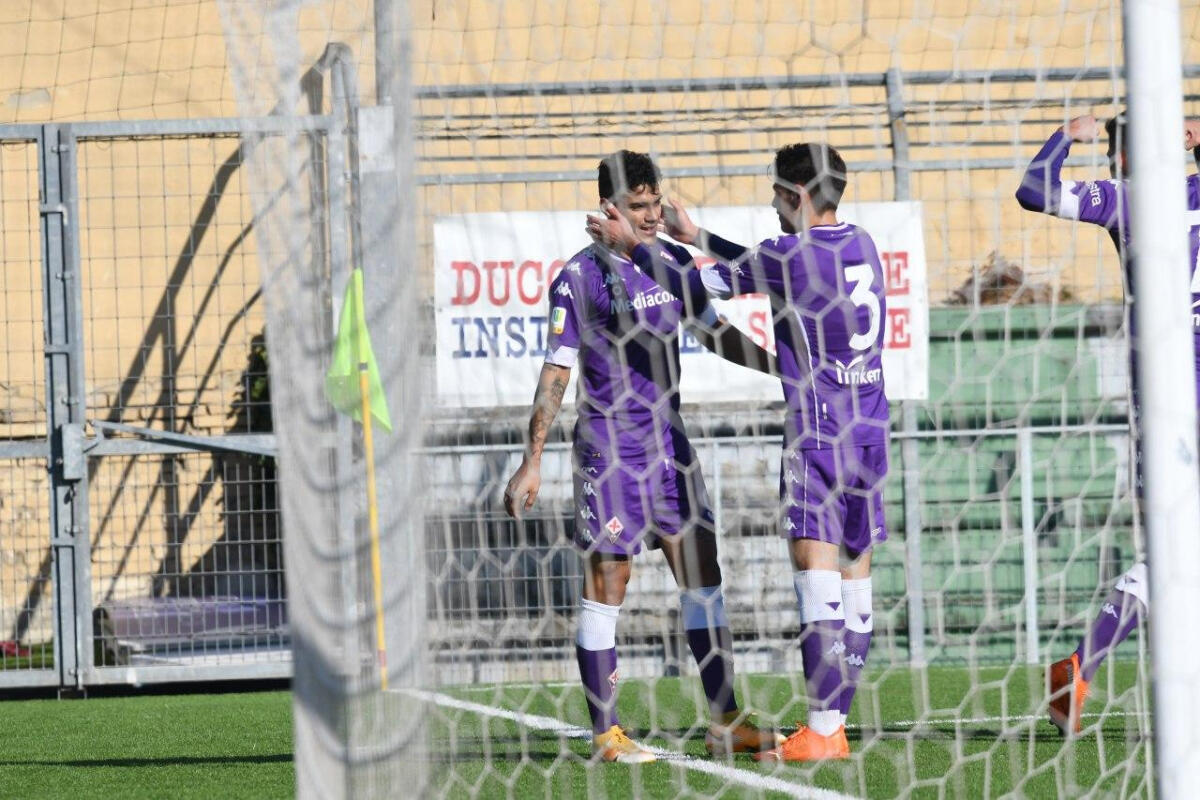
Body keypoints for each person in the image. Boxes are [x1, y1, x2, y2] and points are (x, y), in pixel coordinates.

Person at [589, 142, 891, 762]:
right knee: (858, 583)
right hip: (872, 428)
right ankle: (835, 718)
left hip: (820, 434)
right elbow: (768, 263)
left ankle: (824, 729)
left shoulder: (790, 252)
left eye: (778, 195)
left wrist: (634, 245)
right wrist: (696, 232)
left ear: (799, 196)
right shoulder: (860, 242)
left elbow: (691, 285)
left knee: (818, 576)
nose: (772, 204)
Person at [503, 150, 782, 763]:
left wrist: (780, 366)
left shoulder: (669, 263)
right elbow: (554, 375)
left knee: (702, 576)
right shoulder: (577, 277)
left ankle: (724, 720)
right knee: (610, 582)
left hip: (670, 447)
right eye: (638, 207)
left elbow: (714, 330)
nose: (651, 216)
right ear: (608, 208)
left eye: (656, 204)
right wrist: (532, 460)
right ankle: (607, 732)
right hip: (609, 450)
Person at [1016, 112, 1200, 735]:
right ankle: (1086, 660)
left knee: (1172, 552)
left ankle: (1083, 661)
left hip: (1158, 392)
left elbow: (1034, 190)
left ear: (1119, 159)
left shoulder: (1126, 200)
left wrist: (1067, 135)